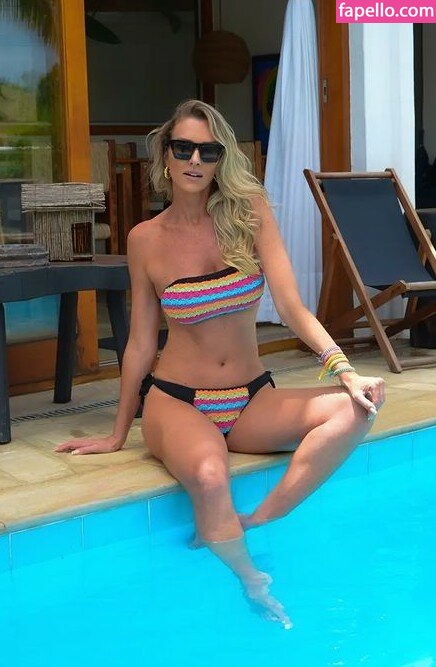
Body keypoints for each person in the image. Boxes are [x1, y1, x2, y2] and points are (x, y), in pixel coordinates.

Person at [55, 99, 385, 629]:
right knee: (210, 478)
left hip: (252, 396)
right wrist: (118, 433)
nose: (195, 160)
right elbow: (140, 343)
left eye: (208, 151)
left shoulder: (249, 213)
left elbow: (293, 308)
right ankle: (251, 582)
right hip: (177, 402)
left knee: (360, 408)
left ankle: (260, 517)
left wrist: (345, 371)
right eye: (184, 148)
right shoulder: (145, 239)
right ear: (166, 156)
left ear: (220, 159)